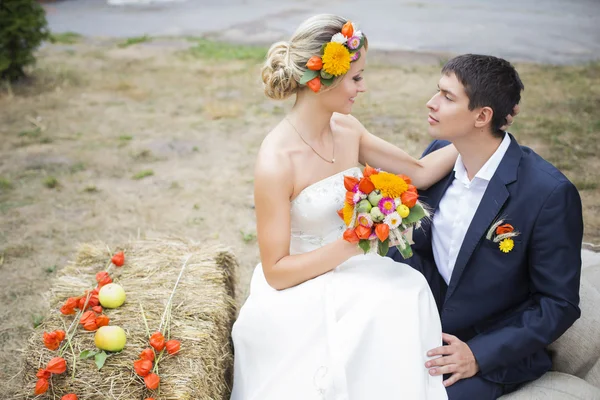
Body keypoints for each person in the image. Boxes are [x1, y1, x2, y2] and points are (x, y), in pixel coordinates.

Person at [230, 14, 460, 400]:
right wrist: (356, 241)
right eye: (356, 77)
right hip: (302, 283)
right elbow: (276, 272)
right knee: (379, 309)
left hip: (358, 265)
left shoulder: (347, 128)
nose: (363, 87)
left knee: (406, 290)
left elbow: (418, 173)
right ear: (324, 78)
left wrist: (479, 135)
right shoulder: (276, 159)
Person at [388, 54, 584, 399]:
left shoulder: (548, 193)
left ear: (482, 116)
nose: (431, 103)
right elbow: (418, 249)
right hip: (422, 324)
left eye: (448, 97)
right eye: (438, 91)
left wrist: (479, 354)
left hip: (490, 351)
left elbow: (557, 302)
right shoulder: (437, 157)